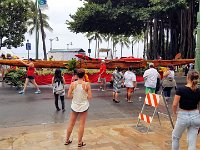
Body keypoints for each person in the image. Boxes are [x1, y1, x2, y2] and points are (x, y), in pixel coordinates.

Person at [172, 70, 200, 150]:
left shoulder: (180, 89)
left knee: (175, 137)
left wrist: (175, 113)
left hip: (183, 115)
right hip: (196, 115)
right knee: (192, 141)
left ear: (187, 78)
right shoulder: (198, 90)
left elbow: (174, 104)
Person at [65, 68, 92, 147]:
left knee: (71, 123)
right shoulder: (87, 84)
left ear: (76, 75)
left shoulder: (73, 84)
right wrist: (84, 96)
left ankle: (67, 140)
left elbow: (69, 96)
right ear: (84, 75)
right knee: (81, 125)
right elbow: (90, 97)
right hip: (84, 105)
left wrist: (76, 96)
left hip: (75, 105)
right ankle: (80, 142)